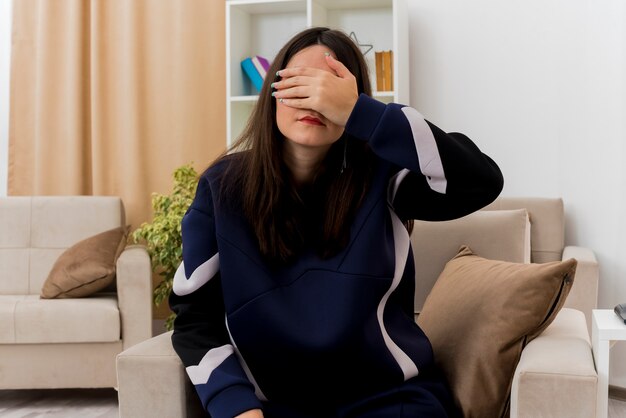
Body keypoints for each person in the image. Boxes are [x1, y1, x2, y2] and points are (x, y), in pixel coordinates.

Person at [169, 27, 503, 418]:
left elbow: (481, 181)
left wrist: (363, 114)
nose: (315, 98)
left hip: (388, 399)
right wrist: (237, 408)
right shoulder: (222, 187)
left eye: (332, 85)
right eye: (299, 81)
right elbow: (195, 319)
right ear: (271, 93)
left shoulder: (387, 175)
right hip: (271, 405)